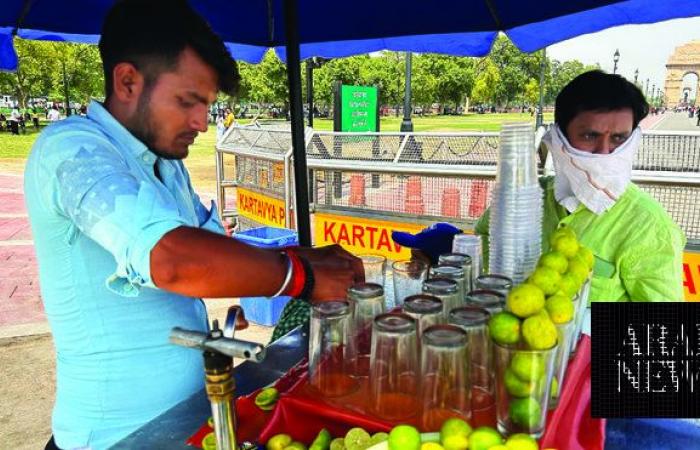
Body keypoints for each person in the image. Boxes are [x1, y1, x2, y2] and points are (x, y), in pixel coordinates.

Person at [24, 1, 363, 449]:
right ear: (127, 82)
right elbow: (174, 260)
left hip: (189, 422)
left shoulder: (166, 164)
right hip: (114, 438)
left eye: (207, 104)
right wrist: (301, 276)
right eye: (188, 101)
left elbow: (209, 249)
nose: (203, 122)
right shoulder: (72, 151)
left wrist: (305, 257)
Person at [476, 70, 685, 301]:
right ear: (559, 137)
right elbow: (484, 239)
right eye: (589, 136)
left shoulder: (650, 227)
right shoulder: (522, 198)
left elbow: (665, 329)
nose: (604, 152)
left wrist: (581, 331)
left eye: (618, 139)